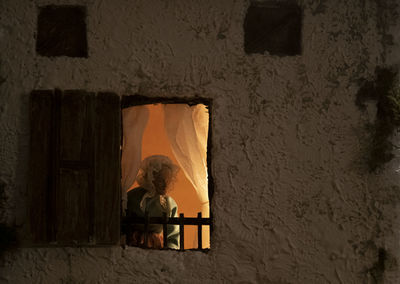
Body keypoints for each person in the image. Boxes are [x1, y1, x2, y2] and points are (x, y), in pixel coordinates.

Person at [127, 155, 180, 249]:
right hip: (131, 246)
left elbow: (173, 235)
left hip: (156, 248)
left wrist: (171, 251)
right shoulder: (132, 197)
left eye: (167, 180)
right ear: (150, 177)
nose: (165, 185)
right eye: (160, 180)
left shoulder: (169, 204)